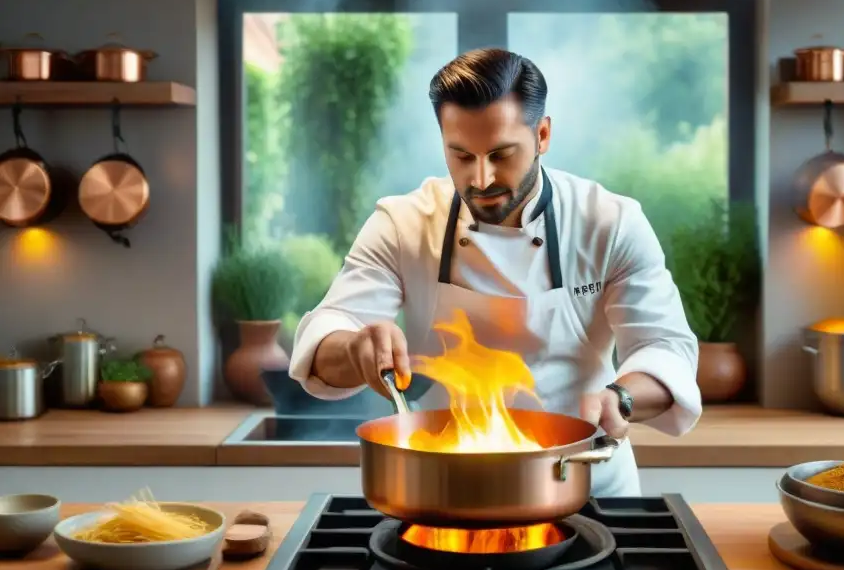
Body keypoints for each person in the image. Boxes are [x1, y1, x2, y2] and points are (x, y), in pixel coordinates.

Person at [289, 48, 702, 497]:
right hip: (447, 492)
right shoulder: (402, 224)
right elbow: (327, 335)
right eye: (461, 155)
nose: (481, 178)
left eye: (501, 154)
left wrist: (620, 398)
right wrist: (355, 349)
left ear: (542, 134)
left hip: (584, 482)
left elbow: (665, 348)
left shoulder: (610, 222)